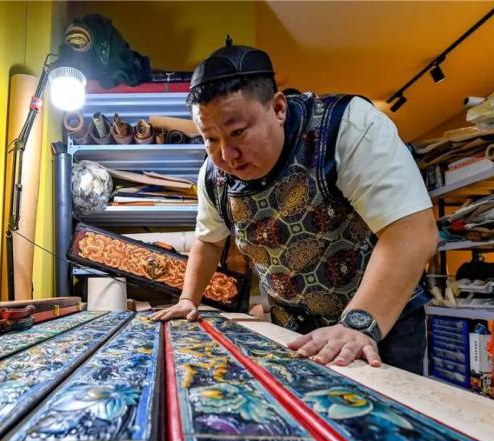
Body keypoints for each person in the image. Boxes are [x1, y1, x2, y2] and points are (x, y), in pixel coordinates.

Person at [150, 42, 438, 374]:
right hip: (294, 326)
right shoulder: (214, 176)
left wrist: (358, 325)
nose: (227, 155)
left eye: (237, 132)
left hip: (379, 320)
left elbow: (413, 232)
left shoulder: (345, 127)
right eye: (211, 138)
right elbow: (209, 240)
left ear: (278, 108)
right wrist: (188, 300)